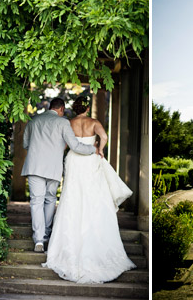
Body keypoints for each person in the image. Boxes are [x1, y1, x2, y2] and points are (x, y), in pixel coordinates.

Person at [43, 96, 136, 283]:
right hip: (90, 159)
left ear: (75, 108)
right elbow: (105, 137)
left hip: (74, 160)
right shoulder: (94, 122)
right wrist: (100, 149)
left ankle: (66, 247)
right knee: (93, 196)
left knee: (72, 196)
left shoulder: (68, 123)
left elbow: (66, 144)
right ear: (87, 108)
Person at [21, 97, 96, 253]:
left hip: (35, 166)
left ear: (50, 107)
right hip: (53, 168)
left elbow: (25, 144)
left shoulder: (34, 120)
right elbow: (74, 145)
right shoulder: (63, 123)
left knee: (36, 202)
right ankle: (46, 235)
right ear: (61, 109)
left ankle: (39, 240)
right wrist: (92, 150)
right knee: (49, 200)